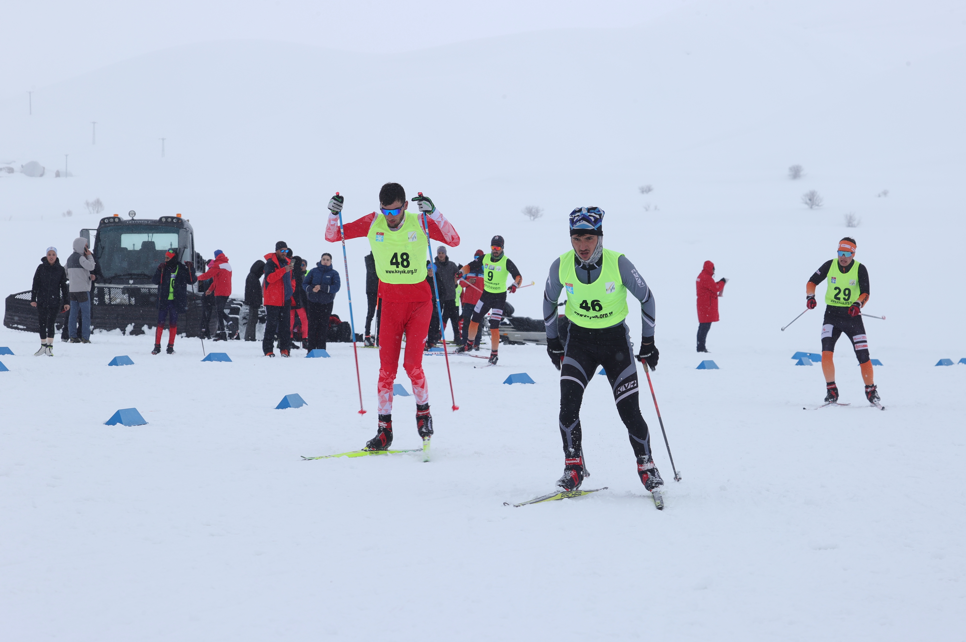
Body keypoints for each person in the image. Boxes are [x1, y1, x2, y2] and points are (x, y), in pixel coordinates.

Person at [324, 183, 460, 451]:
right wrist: (333, 213)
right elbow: (333, 236)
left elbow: (453, 239)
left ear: (405, 206)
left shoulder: (419, 222)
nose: (390, 217)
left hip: (419, 303)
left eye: (395, 211)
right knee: (386, 370)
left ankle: (424, 415)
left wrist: (434, 212)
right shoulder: (373, 222)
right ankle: (384, 430)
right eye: (385, 211)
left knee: (412, 366)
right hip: (389, 304)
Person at [543, 207, 664, 498]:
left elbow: (647, 299)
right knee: (567, 406)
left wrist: (648, 342)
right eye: (576, 239)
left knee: (629, 411)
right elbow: (549, 300)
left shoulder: (618, 263)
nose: (582, 246)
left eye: (589, 238)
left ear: (600, 237)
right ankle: (573, 467)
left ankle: (647, 466)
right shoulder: (561, 265)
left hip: (615, 344)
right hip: (579, 343)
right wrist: (552, 340)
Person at [805, 237, 880, 405]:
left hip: (852, 316)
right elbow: (811, 282)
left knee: (863, 355)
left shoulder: (860, 269)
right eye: (840, 253)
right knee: (826, 352)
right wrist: (810, 297)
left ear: (853, 254)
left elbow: (865, 292)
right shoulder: (829, 265)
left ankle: (871, 391)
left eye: (847, 253)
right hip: (831, 316)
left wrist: (857, 304)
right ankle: (831, 390)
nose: (843, 257)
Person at [457, 235, 522, 365]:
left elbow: (518, 276)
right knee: (474, 320)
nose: (495, 250)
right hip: (486, 295)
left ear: (502, 248)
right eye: (493, 247)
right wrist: (461, 272)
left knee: (494, 326)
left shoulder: (506, 262)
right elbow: (470, 266)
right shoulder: (485, 258)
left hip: (499, 298)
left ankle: (494, 354)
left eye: (497, 247)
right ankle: (469, 344)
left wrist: (515, 285)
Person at [150, 248, 197, 354]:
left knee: (173, 323)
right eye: (165, 258)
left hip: (176, 301)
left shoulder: (181, 268)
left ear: (173, 258)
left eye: (168, 258)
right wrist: (158, 270)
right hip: (164, 300)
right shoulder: (163, 268)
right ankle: (157, 346)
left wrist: (191, 269)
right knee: (160, 323)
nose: (165, 260)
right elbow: (155, 280)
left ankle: (170, 347)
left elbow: (191, 280)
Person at [30, 247, 69, 356]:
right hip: (42, 300)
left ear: (56, 256)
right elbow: (35, 284)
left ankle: (49, 347)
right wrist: (33, 299)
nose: (51, 257)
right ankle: (43, 345)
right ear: (46, 256)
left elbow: (64, 287)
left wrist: (66, 302)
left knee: (51, 323)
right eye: (49, 254)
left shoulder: (60, 269)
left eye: (53, 254)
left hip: (54, 301)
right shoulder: (41, 268)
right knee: (42, 323)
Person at [303, 253, 341, 351]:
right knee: (312, 325)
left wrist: (323, 287)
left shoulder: (334, 273)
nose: (325, 261)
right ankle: (311, 349)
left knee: (323, 326)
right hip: (312, 302)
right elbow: (305, 284)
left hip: (326, 303)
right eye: (323, 259)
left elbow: (336, 287)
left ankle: (321, 349)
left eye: (327, 260)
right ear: (320, 260)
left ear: (331, 261)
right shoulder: (313, 271)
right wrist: (311, 289)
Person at [262, 241, 293, 357]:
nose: (284, 253)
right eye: (282, 250)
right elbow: (269, 278)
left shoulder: (288, 263)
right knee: (271, 326)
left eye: (286, 250)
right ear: (277, 251)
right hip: (273, 300)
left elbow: (292, 279)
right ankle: (268, 350)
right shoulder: (270, 263)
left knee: (285, 326)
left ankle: (285, 349)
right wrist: (283, 270)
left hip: (285, 299)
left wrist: (291, 291)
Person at [196, 250, 232, 341]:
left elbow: (207, 275)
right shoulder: (227, 265)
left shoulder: (218, 265)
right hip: (227, 292)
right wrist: (210, 289)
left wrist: (197, 278)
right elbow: (217, 280)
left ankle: (225, 331)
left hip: (220, 292)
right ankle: (227, 327)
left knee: (218, 312)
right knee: (219, 311)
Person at [65, 237, 96, 343]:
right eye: (86, 246)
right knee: (85, 314)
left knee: (73, 314)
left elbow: (65, 273)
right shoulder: (81, 258)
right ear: (81, 246)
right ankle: (85, 337)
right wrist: (90, 256)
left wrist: (74, 278)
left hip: (72, 290)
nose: (87, 248)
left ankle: (72, 336)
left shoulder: (69, 258)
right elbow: (91, 266)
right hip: (83, 290)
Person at [695, 261, 727, 352]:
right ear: (710, 268)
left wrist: (719, 282)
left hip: (703, 305)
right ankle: (701, 348)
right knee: (705, 327)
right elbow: (716, 288)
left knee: (703, 326)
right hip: (706, 306)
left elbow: (711, 286)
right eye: (713, 268)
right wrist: (722, 282)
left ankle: (700, 346)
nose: (714, 270)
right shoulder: (706, 277)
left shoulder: (702, 276)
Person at [457, 249, 486, 350]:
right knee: (466, 322)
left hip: (480, 301)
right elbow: (461, 283)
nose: (477, 260)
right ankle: (465, 341)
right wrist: (469, 281)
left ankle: (476, 343)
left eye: (479, 258)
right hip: (468, 301)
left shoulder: (486, 271)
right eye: (475, 258)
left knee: (478, 323)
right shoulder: (468, 270)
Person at [433, 246, 461, 343]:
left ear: (445, 254)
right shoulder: (434, 265)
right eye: (439, 253)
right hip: (438, 296)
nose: (441, 255)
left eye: (442, 253)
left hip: (450, 295)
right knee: (437, 317)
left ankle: (457, 336)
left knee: (454, 317)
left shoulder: (451, 265)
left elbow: (458, 275)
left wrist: (456, 280)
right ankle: (436, 336)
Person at [289, 255, 309, 349]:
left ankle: (289, 339)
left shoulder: (290, 273)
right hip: (300, 301)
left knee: (290, 321)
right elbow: (304, 290)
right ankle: (305, 339)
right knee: (304, 320)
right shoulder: (302, 275)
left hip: (290, 300)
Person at [244, 259, 265, 341]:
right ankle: (250, 336)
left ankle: (250, 336)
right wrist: (257, 302)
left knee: (252, 319)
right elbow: (254, 292)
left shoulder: (251, 276)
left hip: (252, 302)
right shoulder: (254, 278)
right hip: (254, 302)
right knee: (252, 320)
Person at [363, 252, 380, 346]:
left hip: (381, 290)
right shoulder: (369, 258)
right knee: (371, 313)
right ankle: (367, 336)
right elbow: (372, 270)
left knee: (380, 314)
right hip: (372, 290)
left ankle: (380, 337)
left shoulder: (382, 257)